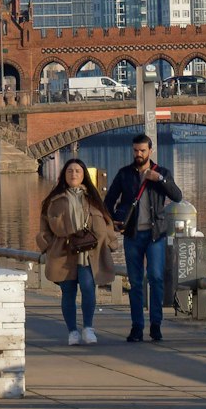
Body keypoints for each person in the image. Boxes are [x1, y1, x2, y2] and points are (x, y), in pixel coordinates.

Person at [102, 134, 183, 342]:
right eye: (136, 151)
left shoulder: (161, 172)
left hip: (156, 235)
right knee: (136, 282)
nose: (138, 154)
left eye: (142, 151)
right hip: (132, 234)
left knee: (156, 278)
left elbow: (177, 196)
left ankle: (156, 324)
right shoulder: (124, 174)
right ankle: (137, 326)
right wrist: (112, 221)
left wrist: (161, 180)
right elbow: (108, 201)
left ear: (150, 151)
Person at [34, 159, 115, 345]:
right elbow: (44, 228)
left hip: (88, 253)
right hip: (64, 251)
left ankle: (88, 328)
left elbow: (106, 221)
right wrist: (46, 246)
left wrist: (109, 242)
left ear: (83, 175)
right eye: (70, 171)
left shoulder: (93, 199)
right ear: (64, 175)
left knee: (88, 287)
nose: (74, 174)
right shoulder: (53, 201)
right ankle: (72, 331)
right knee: (68, 291)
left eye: (78, 171)